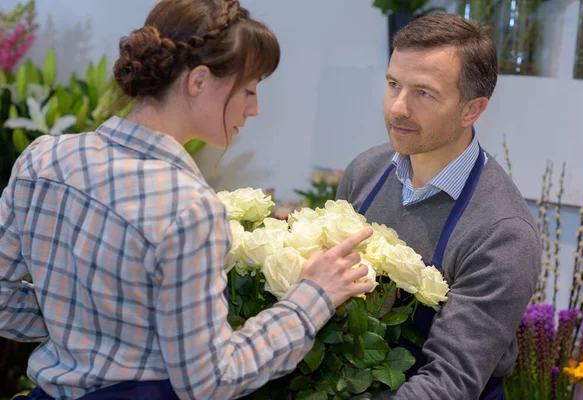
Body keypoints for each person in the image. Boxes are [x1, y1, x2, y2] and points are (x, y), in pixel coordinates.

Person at [0, 0, 374, 399]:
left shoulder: (43, 159)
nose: (255, 108)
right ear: (197, 81)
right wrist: (312, 297)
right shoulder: (188, 207)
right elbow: (211, 381)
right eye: (248, 89)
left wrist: (77, 322)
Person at [336, 14, 541, 400]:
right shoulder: (365, 172)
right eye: (393, 84)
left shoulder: (502, 232)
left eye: (424, 93)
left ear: (471, 110)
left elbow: (450, 382)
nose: (398, 107)